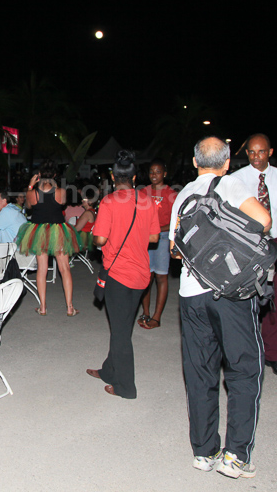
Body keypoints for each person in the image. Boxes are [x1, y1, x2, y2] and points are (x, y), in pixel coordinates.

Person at [171, 136, 270, 478]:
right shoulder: (230, 184)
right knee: (244, 369)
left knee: (200, 372)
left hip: (191, 293)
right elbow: (263, 220)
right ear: (227, 163)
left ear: (194, 162)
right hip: (231, 292)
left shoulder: (183, 195)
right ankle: (236, 456)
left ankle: (204, 451)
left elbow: (175, 248)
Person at [86, 150, 160, 399]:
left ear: (112, 177)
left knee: (120, 332)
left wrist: (100, 233)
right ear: (135, 177)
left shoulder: (108, 202)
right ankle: (109, 370)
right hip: (141, 274)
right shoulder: (147, 200)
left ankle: (126, 387)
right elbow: (154, 237)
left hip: (118, 275)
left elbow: (100, 239)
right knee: (123, 326)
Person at [231, 133, 277, 379]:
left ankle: (273, 353)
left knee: (276, 299)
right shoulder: (236, 179)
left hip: (275, 243)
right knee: (243, 298)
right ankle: (243, 350)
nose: (256, 157)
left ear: (270, 152)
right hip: (246, 245)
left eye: (261, 152)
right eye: (251, 152)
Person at [16, 161, 78, 316]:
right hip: (58, 230)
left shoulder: (33, 193)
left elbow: (28, 206)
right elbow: (62, 204)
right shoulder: (61, 192)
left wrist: (31, 186)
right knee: (65, 268)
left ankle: (43, 307)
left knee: (42, 269)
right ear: (55, 175)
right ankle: (70, 307)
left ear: (39, 175)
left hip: (39, 232)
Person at [139, 159, 178, 330]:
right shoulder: (143, 192)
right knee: (146, 277)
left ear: (165, 174)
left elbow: (176, 221)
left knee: (161, 277)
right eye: (151, 172)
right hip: (145, 238)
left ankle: (157, 316)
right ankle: (145, 312)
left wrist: (157, 229)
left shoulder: (171, 194)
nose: (154, 175)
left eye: (158, 172)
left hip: (162, 237)